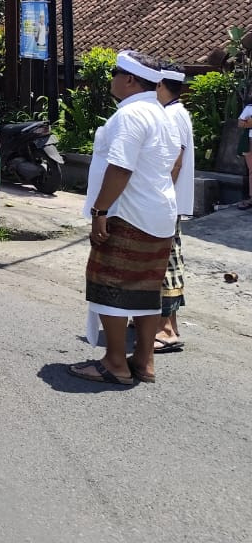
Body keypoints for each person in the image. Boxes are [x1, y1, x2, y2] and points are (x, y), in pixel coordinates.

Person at [71, 51, 181, 387]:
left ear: (130, 79)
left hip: (127, 214)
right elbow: (175, 163)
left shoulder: (131, 115)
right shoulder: (163, 114)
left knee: (110, 285)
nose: (112, 79)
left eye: (115, 73)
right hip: (160, 214)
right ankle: (143, 362)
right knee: (147, 290)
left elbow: (120, 168)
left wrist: (100, 211)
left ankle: (115, 362)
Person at [154, 64, 192, 354]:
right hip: (171, 201)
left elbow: (175, 161)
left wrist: (160, 195)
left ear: (161, 86)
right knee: (170, 261)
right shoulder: (177, 112)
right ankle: (169, 325)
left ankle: (166, 330)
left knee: (164, 264)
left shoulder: (171, 115)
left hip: (166, 201)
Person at [238, 92, 252, 210]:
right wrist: (248, 123)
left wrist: (250, 122)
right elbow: (241, 123)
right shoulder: (249, 108)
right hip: (250, 140)